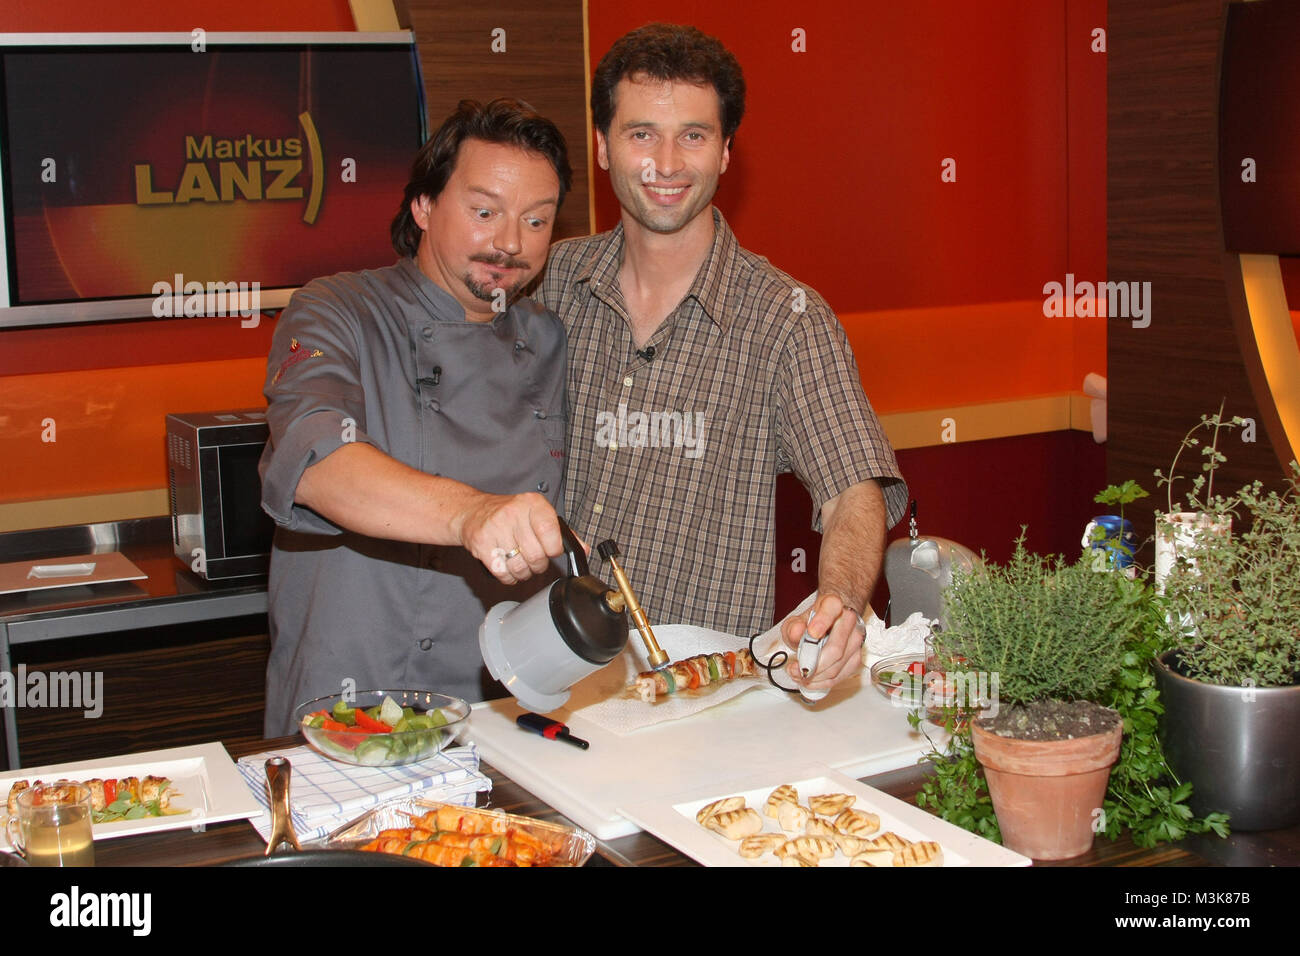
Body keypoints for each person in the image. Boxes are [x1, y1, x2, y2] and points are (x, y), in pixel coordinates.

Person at [534, 24, 908, 695]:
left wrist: (841, 605)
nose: (667, 162)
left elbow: (856, 488)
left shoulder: (786, 320)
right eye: (642, 133)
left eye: (695, 136)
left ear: (727, 152)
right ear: (601, 145)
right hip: (542, 675)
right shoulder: (547, 285)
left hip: (698, 696)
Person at [258, 99, 573, 736]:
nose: (509, 242)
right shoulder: (337, 310)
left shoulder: (550, 339)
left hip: (506, 710)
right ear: (423, 206)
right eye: (484, 212)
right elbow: (316, 461)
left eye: (536, 221)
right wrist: (473, 515)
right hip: (355, 705)